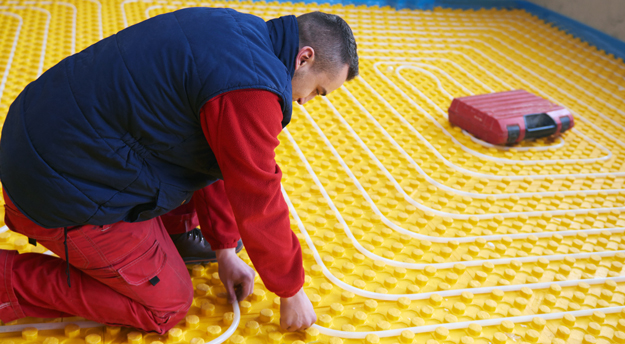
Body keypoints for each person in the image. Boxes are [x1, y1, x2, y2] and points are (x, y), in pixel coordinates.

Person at [0, 7, 358, 334]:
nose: (305, 102)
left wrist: (224, 250)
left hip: (39, 137)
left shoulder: (239, 29)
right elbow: (258, 196)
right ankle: (7, 281)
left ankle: (176, 234)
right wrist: (290, 290)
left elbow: (218, 153)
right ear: (304, 58)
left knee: (177, 131)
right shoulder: (252, 90)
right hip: (56, 185)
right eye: (318, 91)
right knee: (166, 306)